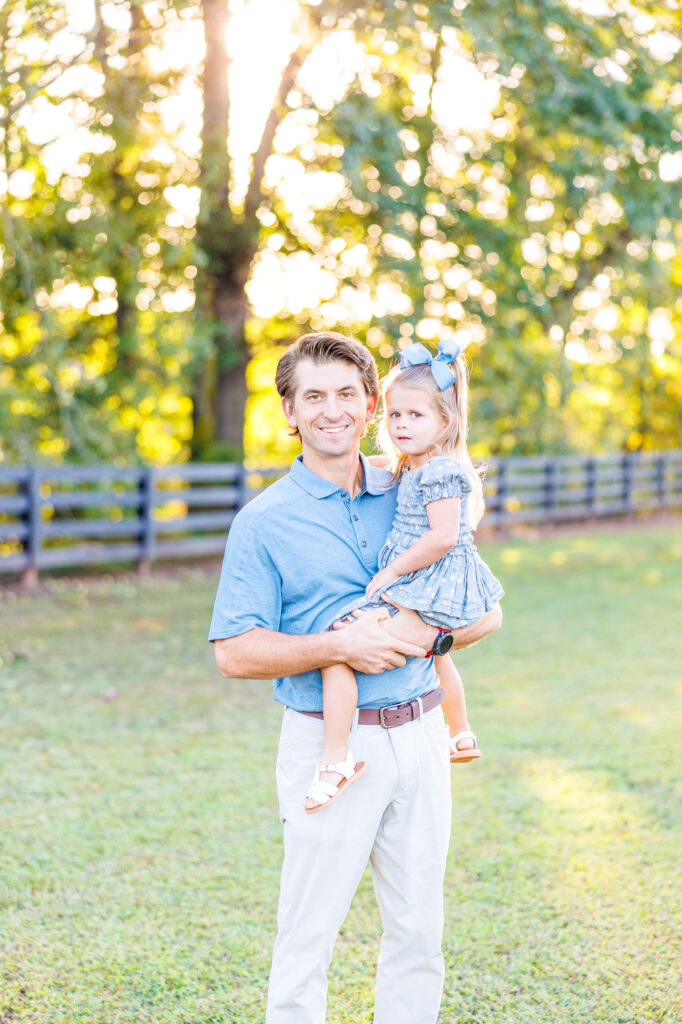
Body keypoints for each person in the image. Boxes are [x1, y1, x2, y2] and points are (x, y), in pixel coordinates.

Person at [209, 331, 502, 1024]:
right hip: (329, 747)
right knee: (308, 936)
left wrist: (415, 638)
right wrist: (340, 648)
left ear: (373, 404)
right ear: (289, 411)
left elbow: (485, 612)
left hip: (424, 733)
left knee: (418, 932)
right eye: (313, 396)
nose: (331, 410)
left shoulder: (415, 485)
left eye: (347, 394)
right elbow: (235, 652)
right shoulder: (263, 522)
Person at [304, 339, 504, 814]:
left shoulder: (439, 471)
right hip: (431, 584)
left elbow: (441, 538)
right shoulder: (416, 465)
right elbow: (378, 469)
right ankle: (461, 732)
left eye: (415, 416)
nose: (401, 425)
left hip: (430, 580)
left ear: (445, 422)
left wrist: (392, 569)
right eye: (394, 416)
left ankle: (335, 759)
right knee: (438, 660)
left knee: (339, 645)